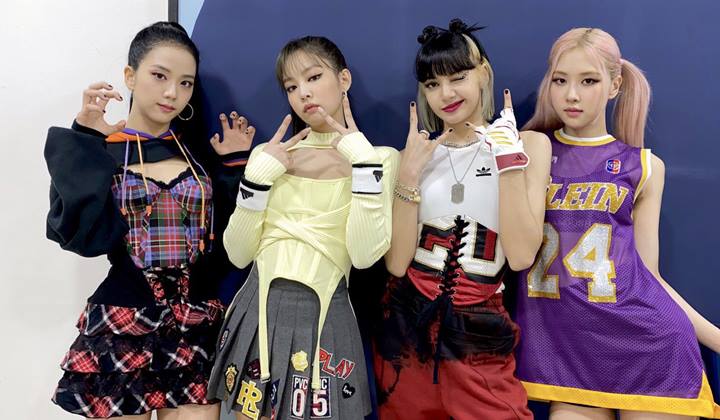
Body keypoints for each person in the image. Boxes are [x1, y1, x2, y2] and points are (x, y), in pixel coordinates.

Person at [44, 21, 253, 419]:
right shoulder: (104, 151)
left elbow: (230, 241)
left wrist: (233, 166)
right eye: (160, 76)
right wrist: (85, 139)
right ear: (130, 76)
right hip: (126, 323)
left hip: (195, 324)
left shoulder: (197, 156)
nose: (172, 92)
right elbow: (80, 236)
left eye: (185, 83)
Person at [516, 27, 720, 419]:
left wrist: (717, 338)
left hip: (648, 348)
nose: (571, 95)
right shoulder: (529, 150)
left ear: (615, 85)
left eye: (588, 81)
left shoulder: (644, 166)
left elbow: (649, 278)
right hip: (565, 353)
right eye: (560, 80)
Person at [207, 36, 399, 420]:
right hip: (258, 308)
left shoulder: (379, 158)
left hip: (326, 313)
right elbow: (239, 255)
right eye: (291, 87)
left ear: (343, 79)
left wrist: (363, 166)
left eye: (313, 77)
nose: (303, 93)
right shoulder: (268, 157)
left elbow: (364, 256)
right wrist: (256, 180)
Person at [374, 18, 551, 420]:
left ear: (483, 73)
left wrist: (508, 160)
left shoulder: (530, 144)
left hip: (480, 333)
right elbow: (397, 264)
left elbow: (521, 256)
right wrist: (408, 177)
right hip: (405, 333)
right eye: (432, 84)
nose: (446, 94)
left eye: (457, 77)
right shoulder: (412, 156)